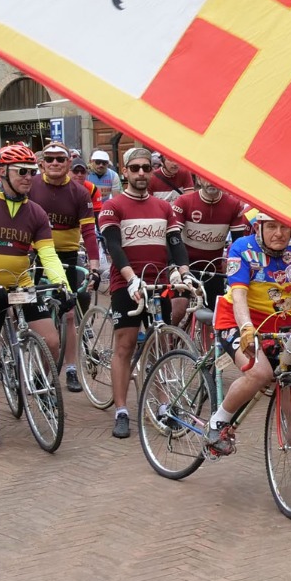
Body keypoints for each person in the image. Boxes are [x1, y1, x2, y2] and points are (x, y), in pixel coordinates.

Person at [206, 210, 291, 502]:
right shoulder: (242, 248)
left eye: (284, 226)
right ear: (259, 227)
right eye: (271, 226)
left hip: (279, 327)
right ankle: (219, 421)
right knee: (260, 373)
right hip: (237, 321)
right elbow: (239, 294)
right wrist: (245, 327)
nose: (279, 233)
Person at [0, 143, 69, 448]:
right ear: (3, 172)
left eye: (32, 172)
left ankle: (38, 384)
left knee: (51, 339)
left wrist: (63, 285)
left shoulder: (35, 211)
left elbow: (48, 254)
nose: (28, 177)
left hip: (20, 284)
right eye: (22, 172)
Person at [97, 147, 189, 439]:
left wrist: (183, 273)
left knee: (159, 344)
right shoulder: (114, 206)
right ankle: (122, 410)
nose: (140, 173)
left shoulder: (164, 208)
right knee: (124, 346)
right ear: (124, 171)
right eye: (134, 168)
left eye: (145, 168)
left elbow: (175, 242)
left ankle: (163, 406)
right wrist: (130, 279)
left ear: (152, 171)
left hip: (157, 283)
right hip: (127, 284)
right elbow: (114, 247)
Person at [28, 142, 102, 393]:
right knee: (34, 315)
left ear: (69, 163)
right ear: (42, 163)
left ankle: (71, 368)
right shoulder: (32, 185)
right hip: (34, 255)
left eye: (61, 159)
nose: (55, 163)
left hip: (67, 255)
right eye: (50, 159)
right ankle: (35, 364)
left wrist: (94, 265)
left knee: (68, 315)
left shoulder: (79, 192)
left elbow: (89, 231)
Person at [173, 176, 250, 315]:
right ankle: (169, 335)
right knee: (178, 309)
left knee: (216, 319)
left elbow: (238, 243)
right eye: (205, 177)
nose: (211, 181)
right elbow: (173, 239)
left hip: (213, 269)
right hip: (185, 266)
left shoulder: (234, 205)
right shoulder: (184, 202)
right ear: (198, 179)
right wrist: (175, 267)